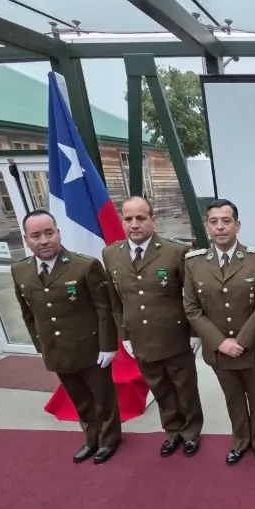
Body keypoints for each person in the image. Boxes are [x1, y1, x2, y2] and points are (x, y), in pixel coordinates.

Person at [11, 209, 121, 464]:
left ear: (58, 233)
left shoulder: (85, 266)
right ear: (27, 239)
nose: (44, 240)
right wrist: (42, 346)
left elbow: (104, 310)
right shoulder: (20, 271)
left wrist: (107, 346)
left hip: (90, 347)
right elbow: (28, 313)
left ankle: (109, 439)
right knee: (80, 400)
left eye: (49, 233)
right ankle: (91, 438)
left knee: (102, 398)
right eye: (36, 235)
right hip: (56, 349)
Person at [101, 196, 204, 458]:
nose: (134, 224)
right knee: (159, 387)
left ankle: (191, 432)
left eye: (141, 218)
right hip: (140, 337)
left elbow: (191, 296)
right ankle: (172, 431)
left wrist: (195, 333)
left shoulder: (175, 252)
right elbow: (115, 302)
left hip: (175, 336)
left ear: (152, 221)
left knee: (184, 386)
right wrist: (123, 335)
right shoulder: (111, 254)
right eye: (128, 219)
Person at [183, 200, 255, 464]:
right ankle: (240, 440)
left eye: (226, 221)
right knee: (232, 397)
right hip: (218, 348)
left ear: (237, 225)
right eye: (214, 222)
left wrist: (242, 341)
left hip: (254, 345)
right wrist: (220, 342)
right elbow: (192, 309)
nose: (220, 227)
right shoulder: (194, 263)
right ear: (207, 226)